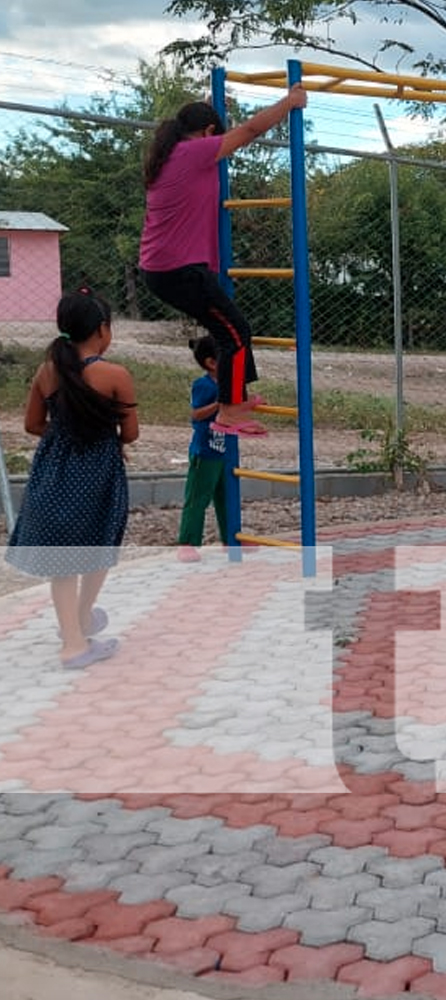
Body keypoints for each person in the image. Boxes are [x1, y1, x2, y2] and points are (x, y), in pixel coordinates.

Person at [139, 83, 308, 436]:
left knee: (226, 330)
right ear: (208, 133)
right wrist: (290, 102)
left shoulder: (171, 154)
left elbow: (216, 130)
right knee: (235, 331)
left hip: (166, 268)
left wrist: (208, 106)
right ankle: (228, 410)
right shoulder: (195, 152)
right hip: (179, 270)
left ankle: (236, 398)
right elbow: (250, 130)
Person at [5, 290, 138, 669]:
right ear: (102, 329)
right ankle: (76, 640)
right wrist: (96, 436)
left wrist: (64, 437)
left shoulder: (48, 371)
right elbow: (129, 434)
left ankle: (75, 629)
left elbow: (33, 424)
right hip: (99, 473)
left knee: (60, 558)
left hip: (53, 472)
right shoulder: (115, 375)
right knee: (101, 542)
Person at [176, 337, 229, 563]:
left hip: (225, 449)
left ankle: (230, 539)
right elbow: (196, 414)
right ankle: (187, 542)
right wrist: (219, 403)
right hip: (205, 451)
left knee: (227, 497)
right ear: (212, 363)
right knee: (198, 497)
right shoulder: (204, 385)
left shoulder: (228, 384)